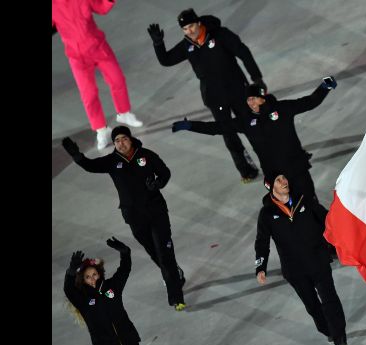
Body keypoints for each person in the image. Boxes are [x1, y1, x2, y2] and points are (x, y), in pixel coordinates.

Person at [61, 126, 186, 311]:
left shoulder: (146, 155)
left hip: (156, 212)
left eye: (124, 139)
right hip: (134, 217)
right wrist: (77, 156)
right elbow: (90, 166)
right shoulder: (112, 161)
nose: (121, 143)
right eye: (117, 140)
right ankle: (175, 274)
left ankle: (176, 297)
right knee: (154, 251)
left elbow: (165, 172)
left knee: (164, 252)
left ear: (131, 139)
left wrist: (158, 183)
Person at [172, 77, 337, 202]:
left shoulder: (282, 109)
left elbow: (309, 102)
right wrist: (191, 126)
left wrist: (324, 87)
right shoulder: (246, 121)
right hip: (274, 176)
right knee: (287, 213)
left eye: (252, 98)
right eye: (247, 100)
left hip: (296, 169)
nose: (250, 103)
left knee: (310, 205)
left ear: (262, 97)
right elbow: (218, 128)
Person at [147, 8, 263, 183]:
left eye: (192, 26)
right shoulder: (187, 46)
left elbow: (243, 52)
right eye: (185, 29)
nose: (189, 31)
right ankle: (246, 170)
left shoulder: (220, 34)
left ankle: (272, 157)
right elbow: (167, 60)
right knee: (229, 135)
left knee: (252, 126)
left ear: (199, 23)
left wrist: (256, 78)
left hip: (237, 90)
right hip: (215, 98)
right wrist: (158, 44)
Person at [254, 174, 351, 345]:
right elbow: (262, 242)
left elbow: (326, 218)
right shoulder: (267, 214)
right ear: (270, 187)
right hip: (294, 269)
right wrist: (261, 267)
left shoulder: (303, 200)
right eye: (278, 180)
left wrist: (344, 231)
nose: (284, 182)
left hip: (318, 260)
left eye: (284, 178)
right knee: (312, 305)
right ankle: (328, 330)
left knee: (330, 299)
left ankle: (341, 338)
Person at [52, 0, 143, 151]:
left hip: (98, 48)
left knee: (117, 79)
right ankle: (101, 130)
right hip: (77, 58)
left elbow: (101, 8)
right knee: (89, 95)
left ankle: (124, 113)